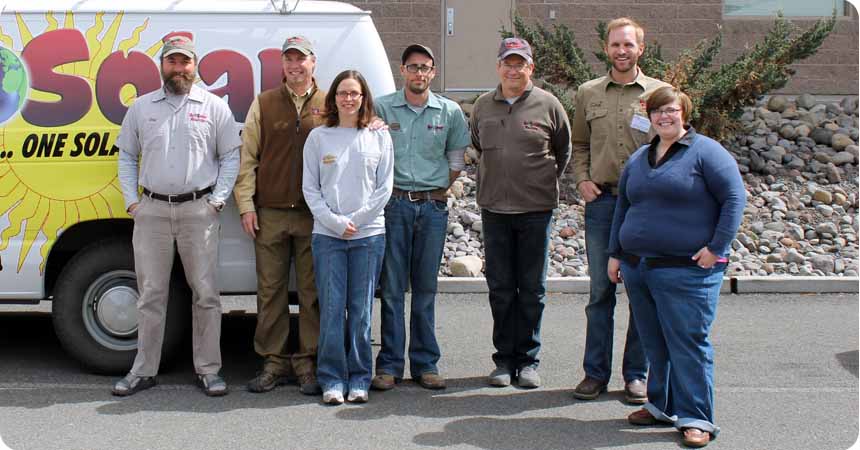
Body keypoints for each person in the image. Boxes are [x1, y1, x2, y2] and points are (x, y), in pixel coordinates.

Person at [608, 86, 744, 448]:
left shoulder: (706, 153)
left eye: (670, 110)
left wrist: (716, 248)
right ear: (649, 117)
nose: (664, 117)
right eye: (657, 111)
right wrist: (615, 252)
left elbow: (734, 198)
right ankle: (661, 405)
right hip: (640, 267)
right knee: (655, 342)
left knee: (688, 343)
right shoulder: (640, 157)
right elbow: (624, 205)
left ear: (684, 113)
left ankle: (697, 416)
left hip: (686, 270)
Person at [113, 35, 241, 397]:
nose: (179, 68)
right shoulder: (141, 107)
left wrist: (216, 201)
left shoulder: (214, 106)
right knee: (151, 293)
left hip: (198, 211)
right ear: (162, 66)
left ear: (195, 65)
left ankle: (209, 370)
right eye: (172, 61)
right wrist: (132, 202)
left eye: (185, 62)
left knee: (206, 294)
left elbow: (231, 156)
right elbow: (126, 157)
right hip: (151, 210)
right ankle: (143, 370)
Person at [570, 17, 669, 404]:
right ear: (606, 48)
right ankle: (595, 373)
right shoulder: (588, 92)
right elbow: (579, 143)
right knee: (600, 291)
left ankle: (635, 375)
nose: (622, 51)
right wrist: (581, 179)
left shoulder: (660, 92)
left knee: (641, 291)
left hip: (645, 208)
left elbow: (673, 144)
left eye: (629, 45)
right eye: (615, 45)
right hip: (603, 203)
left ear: (640, 49)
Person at [470, 37, 571, 389]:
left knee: (531, 289)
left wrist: (536, 183)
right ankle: (503, 360)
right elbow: (478, 145)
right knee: (500, 288)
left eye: (520, 63)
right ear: (499, 66)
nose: (514, 69)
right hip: (495, 209)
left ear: (531, 67)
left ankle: (528, 360)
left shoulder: (549, 104)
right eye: (507, 63)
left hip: (535, 211)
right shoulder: (483, 105)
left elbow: (563, 151)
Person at [371, 44, 470, 392]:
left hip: (432, 209)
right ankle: (390, 365)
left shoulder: (450, 111)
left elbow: (456, 161)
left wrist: (437, 189)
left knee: (425, 289)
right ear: (403, 71)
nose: (419, 73)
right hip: (394, 206)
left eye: (425, 67)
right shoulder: (382, 107)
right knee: (393, 289)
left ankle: (426, 364)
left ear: (433, 72)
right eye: (413, 67)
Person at [234, 36, 325, 395]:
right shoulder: (265, 103)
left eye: (300, 59)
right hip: (269, 212)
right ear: (282, 65)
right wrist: (245, 204)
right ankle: (273, 361)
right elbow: (249, 158)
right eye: (288, 60)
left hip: (314, 215)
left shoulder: (329, 102)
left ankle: (307, 361)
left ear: (313, 62)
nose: (294, 66)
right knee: (269, 290)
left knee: (311, 291)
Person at [302, 70, 393, 405]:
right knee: (331, 308)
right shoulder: (319, 137)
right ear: (333, 98)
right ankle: (331, 378)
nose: (348, 99)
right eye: (342, 93)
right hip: (328, 237)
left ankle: (359, 377)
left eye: (354, 93)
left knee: (360, 310)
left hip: (368, 236)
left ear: (364, 97)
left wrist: (355, 221)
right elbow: (310, 188)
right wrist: (335, 222)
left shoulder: (378, 136)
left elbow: (384, 187)